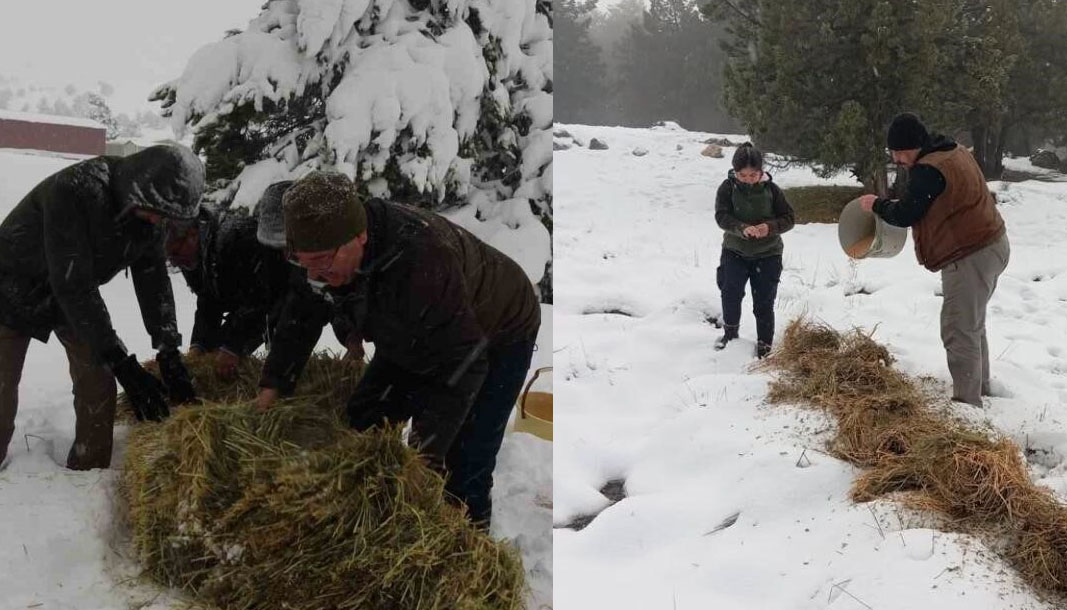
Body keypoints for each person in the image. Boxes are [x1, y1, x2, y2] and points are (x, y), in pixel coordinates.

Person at [256, 170, 541, 528]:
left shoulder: (421, 259)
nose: (314, 275)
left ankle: (469, 549)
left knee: (463, 460)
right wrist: (274, 385)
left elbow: (462, 363)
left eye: (323, 264)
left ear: (358, 237)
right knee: (364, 416)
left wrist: (426, 455)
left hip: (497, 330)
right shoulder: (320, 251)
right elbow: (302, 314)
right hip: (412, 325)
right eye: (304, 264)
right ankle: (370, 520)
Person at [0, 145, 201, 469]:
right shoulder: (78, 190)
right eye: (157, 212)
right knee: (2, 381)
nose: (160, 222)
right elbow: (73, 283)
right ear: (139, 188)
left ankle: (88, 472)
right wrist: (120, 359)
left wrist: (168, 348)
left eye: (166, 217)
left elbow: (153, 279)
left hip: (71, 294)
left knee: (98, 378)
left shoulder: (152, 212)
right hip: (12, 284)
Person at [859, 112, 1009, 407]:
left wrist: (877, 205)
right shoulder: (952, 151)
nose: (897, 160)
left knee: (958, 328)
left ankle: (968, 405)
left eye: (898, 154)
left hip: (970, 254)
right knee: (972, 323)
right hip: (993, 244)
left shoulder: (929, 170)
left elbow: (907, 213)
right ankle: (982, 386)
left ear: (909, 147)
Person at [714, 142, 795, 358]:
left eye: (753, 175)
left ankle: (765, 346)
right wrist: (741, 228)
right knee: (730, 293)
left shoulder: (772, 190)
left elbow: (788, 218)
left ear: (761, 172)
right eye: (743, 175)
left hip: (768, 254)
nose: (749, 180)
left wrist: (769, 227)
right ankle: (730, 335)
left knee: (764, 302)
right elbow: (721, 216)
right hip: (735, 251)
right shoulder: (727, 188)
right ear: (735, 172)